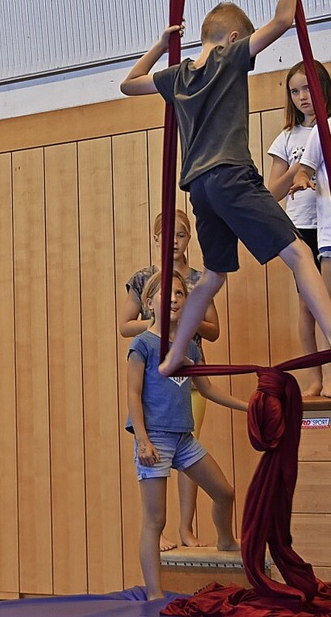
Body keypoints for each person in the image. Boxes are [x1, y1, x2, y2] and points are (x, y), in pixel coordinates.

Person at [121, 0, 331, 375]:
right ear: (234, 40)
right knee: (299, 255)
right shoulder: (228, 58)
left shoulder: (176, 74)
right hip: (232, 176)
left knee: (214, 274)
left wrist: (160, 45)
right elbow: (283, 21)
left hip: (199, 190)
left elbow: (127, 84)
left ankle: (174, 354)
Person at [126, 270, 247, 601]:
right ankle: (154, 594)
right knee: (156, 520)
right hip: (156, 439)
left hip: (183, 437)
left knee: (224, 492)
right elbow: (133, 394)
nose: (176, 299)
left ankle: (225, 539)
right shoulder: (143, 345)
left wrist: (247, 407)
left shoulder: (190, 346)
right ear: (149, 303)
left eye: (180, 294)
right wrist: (142, 439)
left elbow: (206, 388)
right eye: (167, 295)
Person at [120, 209, 219, 550]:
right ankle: (158, 529)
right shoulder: (146, 278)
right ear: (157, 238)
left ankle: (187, 527)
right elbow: (124, 325)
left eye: (181, 235)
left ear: (189, 239)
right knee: (155, 450)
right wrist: (160, 323)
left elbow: (214, 330)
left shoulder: (198, 279)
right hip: (156, 377)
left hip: (190, 373)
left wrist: (185, 323)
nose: (174, 242)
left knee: (188, 448)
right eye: (168, 235)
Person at [267, 60, 331, 396]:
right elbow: (272, 192)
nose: (302, 96)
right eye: (295, 91)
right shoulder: (287, 138)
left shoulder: (328, 126)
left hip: (328, 223)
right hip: (303, 225)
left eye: (308, 88)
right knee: (308, 305)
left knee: (328, 301)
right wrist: (300, 166)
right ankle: (316, 378)